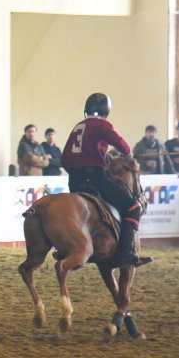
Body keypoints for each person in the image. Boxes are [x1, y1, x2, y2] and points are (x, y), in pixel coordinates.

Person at [62, 92, 149, 268]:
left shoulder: (79, 126)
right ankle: (125, 252)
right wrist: (129, 153)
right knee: (133, 206)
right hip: (95, 179)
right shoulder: (102, 125)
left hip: (74, 181)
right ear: (106, 111)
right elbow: (122, 146)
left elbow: (64, 159)